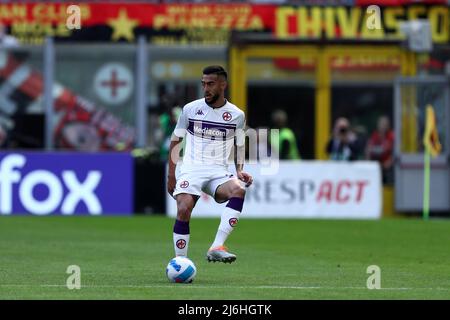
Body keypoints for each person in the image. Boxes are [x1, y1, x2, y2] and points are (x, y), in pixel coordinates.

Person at [167, 65, 253, 264]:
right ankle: (180, 262)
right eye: (203, 84)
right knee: (184, 208)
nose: (206, 88)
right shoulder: (190, 109)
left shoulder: (237, 115)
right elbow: (175, 140)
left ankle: (217, 246)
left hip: (218, 173)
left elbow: (239, 143)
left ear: (223, 85)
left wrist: (239, 169)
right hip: (191, 170)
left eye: (211, 84)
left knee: (238, 190)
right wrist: (172, 175)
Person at [366, 115, 395, 183]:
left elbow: (393, 151)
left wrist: (390, 161)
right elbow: (369, 149)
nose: (382, 126)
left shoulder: (391, 136)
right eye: (381, 124)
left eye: (385, 124)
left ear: (388, 125)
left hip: (387, 166)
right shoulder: (375, 135)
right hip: (376, 165)